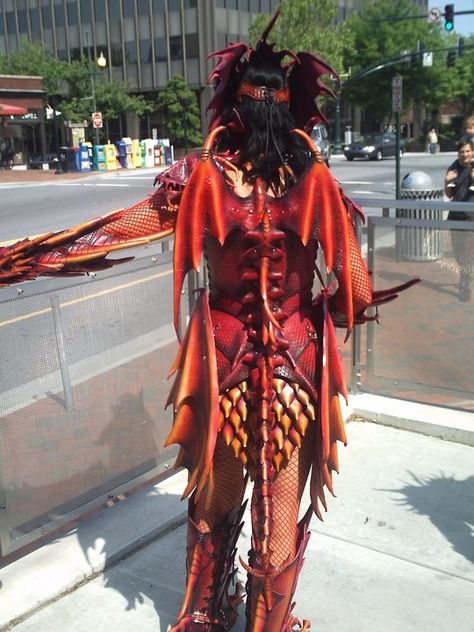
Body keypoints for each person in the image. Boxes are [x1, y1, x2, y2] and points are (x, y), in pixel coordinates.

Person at [0, 12, 417, 631]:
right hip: (296, 374)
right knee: (276, 528)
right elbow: (355, 291)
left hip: (223, 371)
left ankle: (200, 618)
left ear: (232, 105)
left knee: (213, 506)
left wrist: (25, 257)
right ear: (296, 107)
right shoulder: (317, 181)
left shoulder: (200, 177)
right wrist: (320, 307)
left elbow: (119, 227)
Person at [445, 138, 474, 302]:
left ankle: (465, 285)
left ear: (472, 151)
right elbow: (449, 195)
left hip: (471, 217)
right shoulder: (454, 167)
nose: (465, 155)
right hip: (455, 216)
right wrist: (447, 180)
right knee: (458, 252)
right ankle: (466, 275)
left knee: (467, 253)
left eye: (467, 151)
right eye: (462, 152)